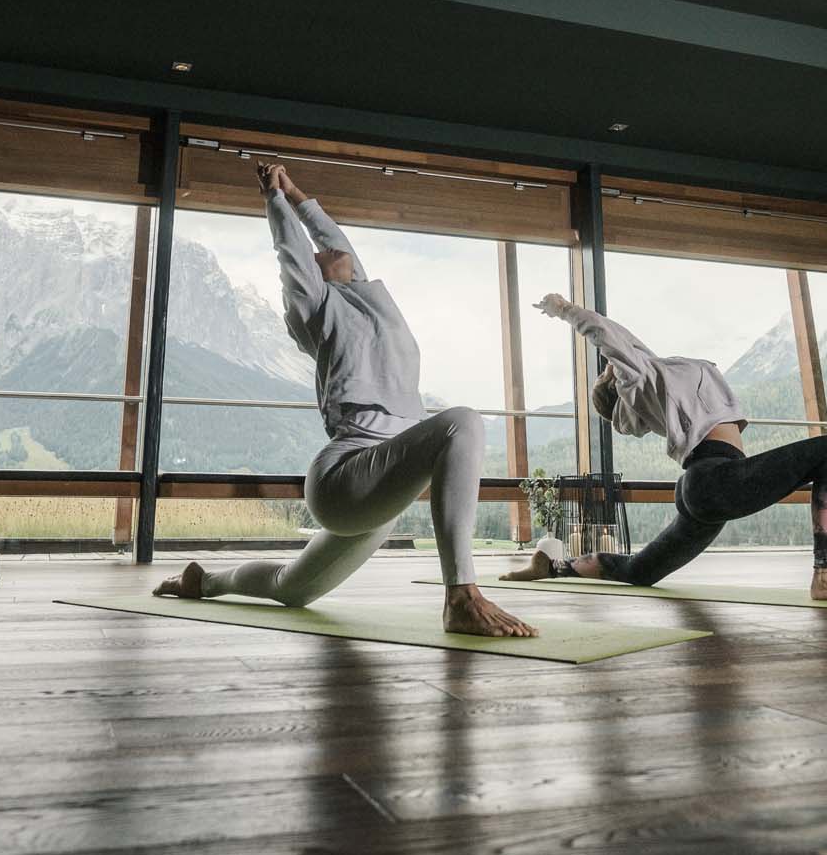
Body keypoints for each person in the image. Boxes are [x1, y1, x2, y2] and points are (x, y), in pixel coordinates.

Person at [156, 163, 539, 638]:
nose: (328, 250)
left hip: (380, 485)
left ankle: (203, 582)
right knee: (463, 422)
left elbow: (332, 238)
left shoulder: (370, 297)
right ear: (314, 275)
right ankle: (461, 595)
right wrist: (275, 198)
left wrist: (299, 195)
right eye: (318, 255)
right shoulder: (315, 307)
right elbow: (292, 252)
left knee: (291, 588)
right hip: (345, 479)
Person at [505, 294, 827, 602]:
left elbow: (628, 341)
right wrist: (565, 309)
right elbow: (607, 336)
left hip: (705, 484)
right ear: (618, 385)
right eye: (610, 370)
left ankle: (553, 566)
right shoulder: (636, 383)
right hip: (717, 478)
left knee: (641, 570)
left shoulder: (653, 379)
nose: (611, 365)